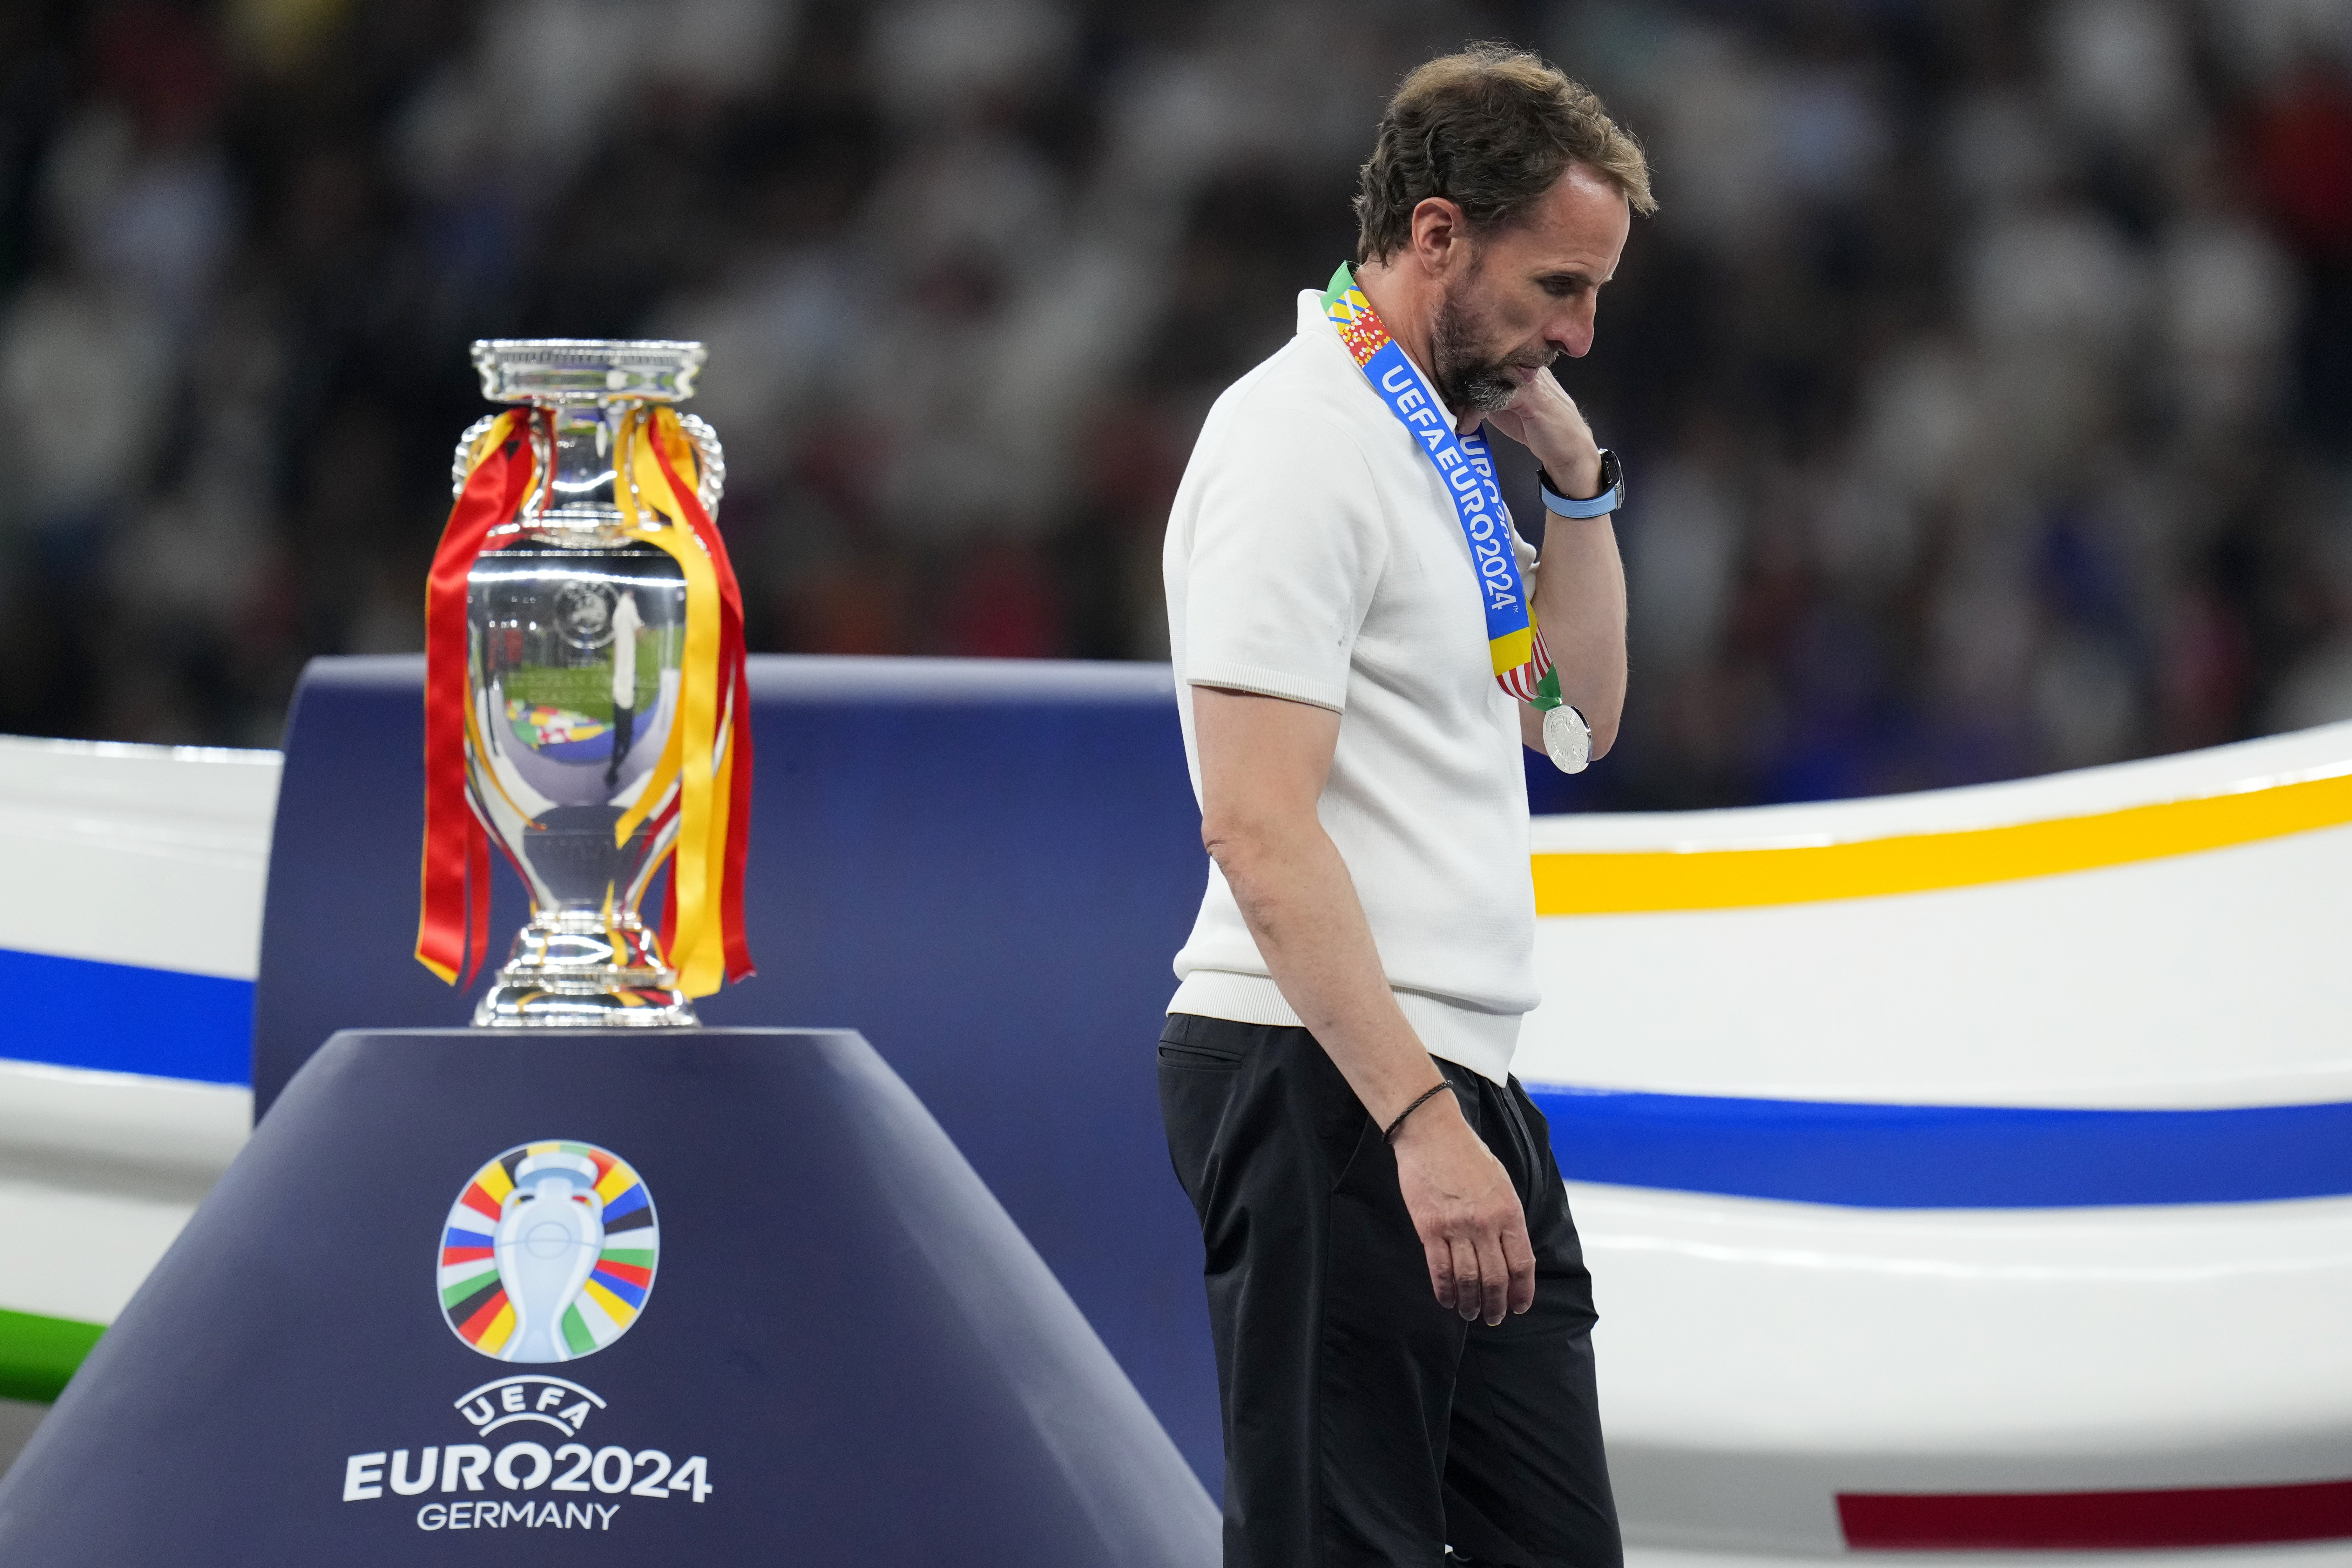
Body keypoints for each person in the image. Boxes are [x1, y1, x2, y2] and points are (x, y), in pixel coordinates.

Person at [1157, 45, 1652, 1568]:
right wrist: (1419, 1121)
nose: (1575, 332)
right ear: (1437, 235)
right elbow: (1252, 822)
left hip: (1443, 1077)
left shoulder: (1433, 444)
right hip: (1330, 1078)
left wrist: (1574, 479)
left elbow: (1583, 716)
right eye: (1556, 288)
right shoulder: (1298, 437)